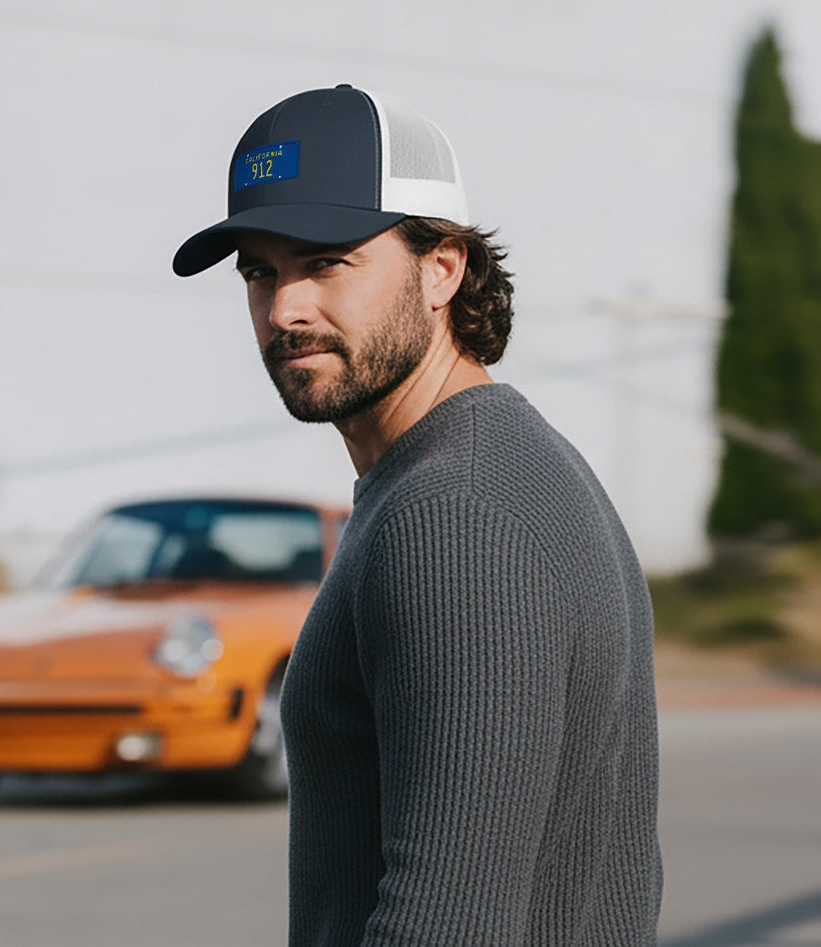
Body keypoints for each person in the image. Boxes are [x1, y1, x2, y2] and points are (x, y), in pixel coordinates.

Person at [172, 84, 662, 945]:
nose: (284, 307)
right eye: (260, 270)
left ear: (442, 269)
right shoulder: (480, 470)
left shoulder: (458, 516)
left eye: (325, 260)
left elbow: (446, 918)